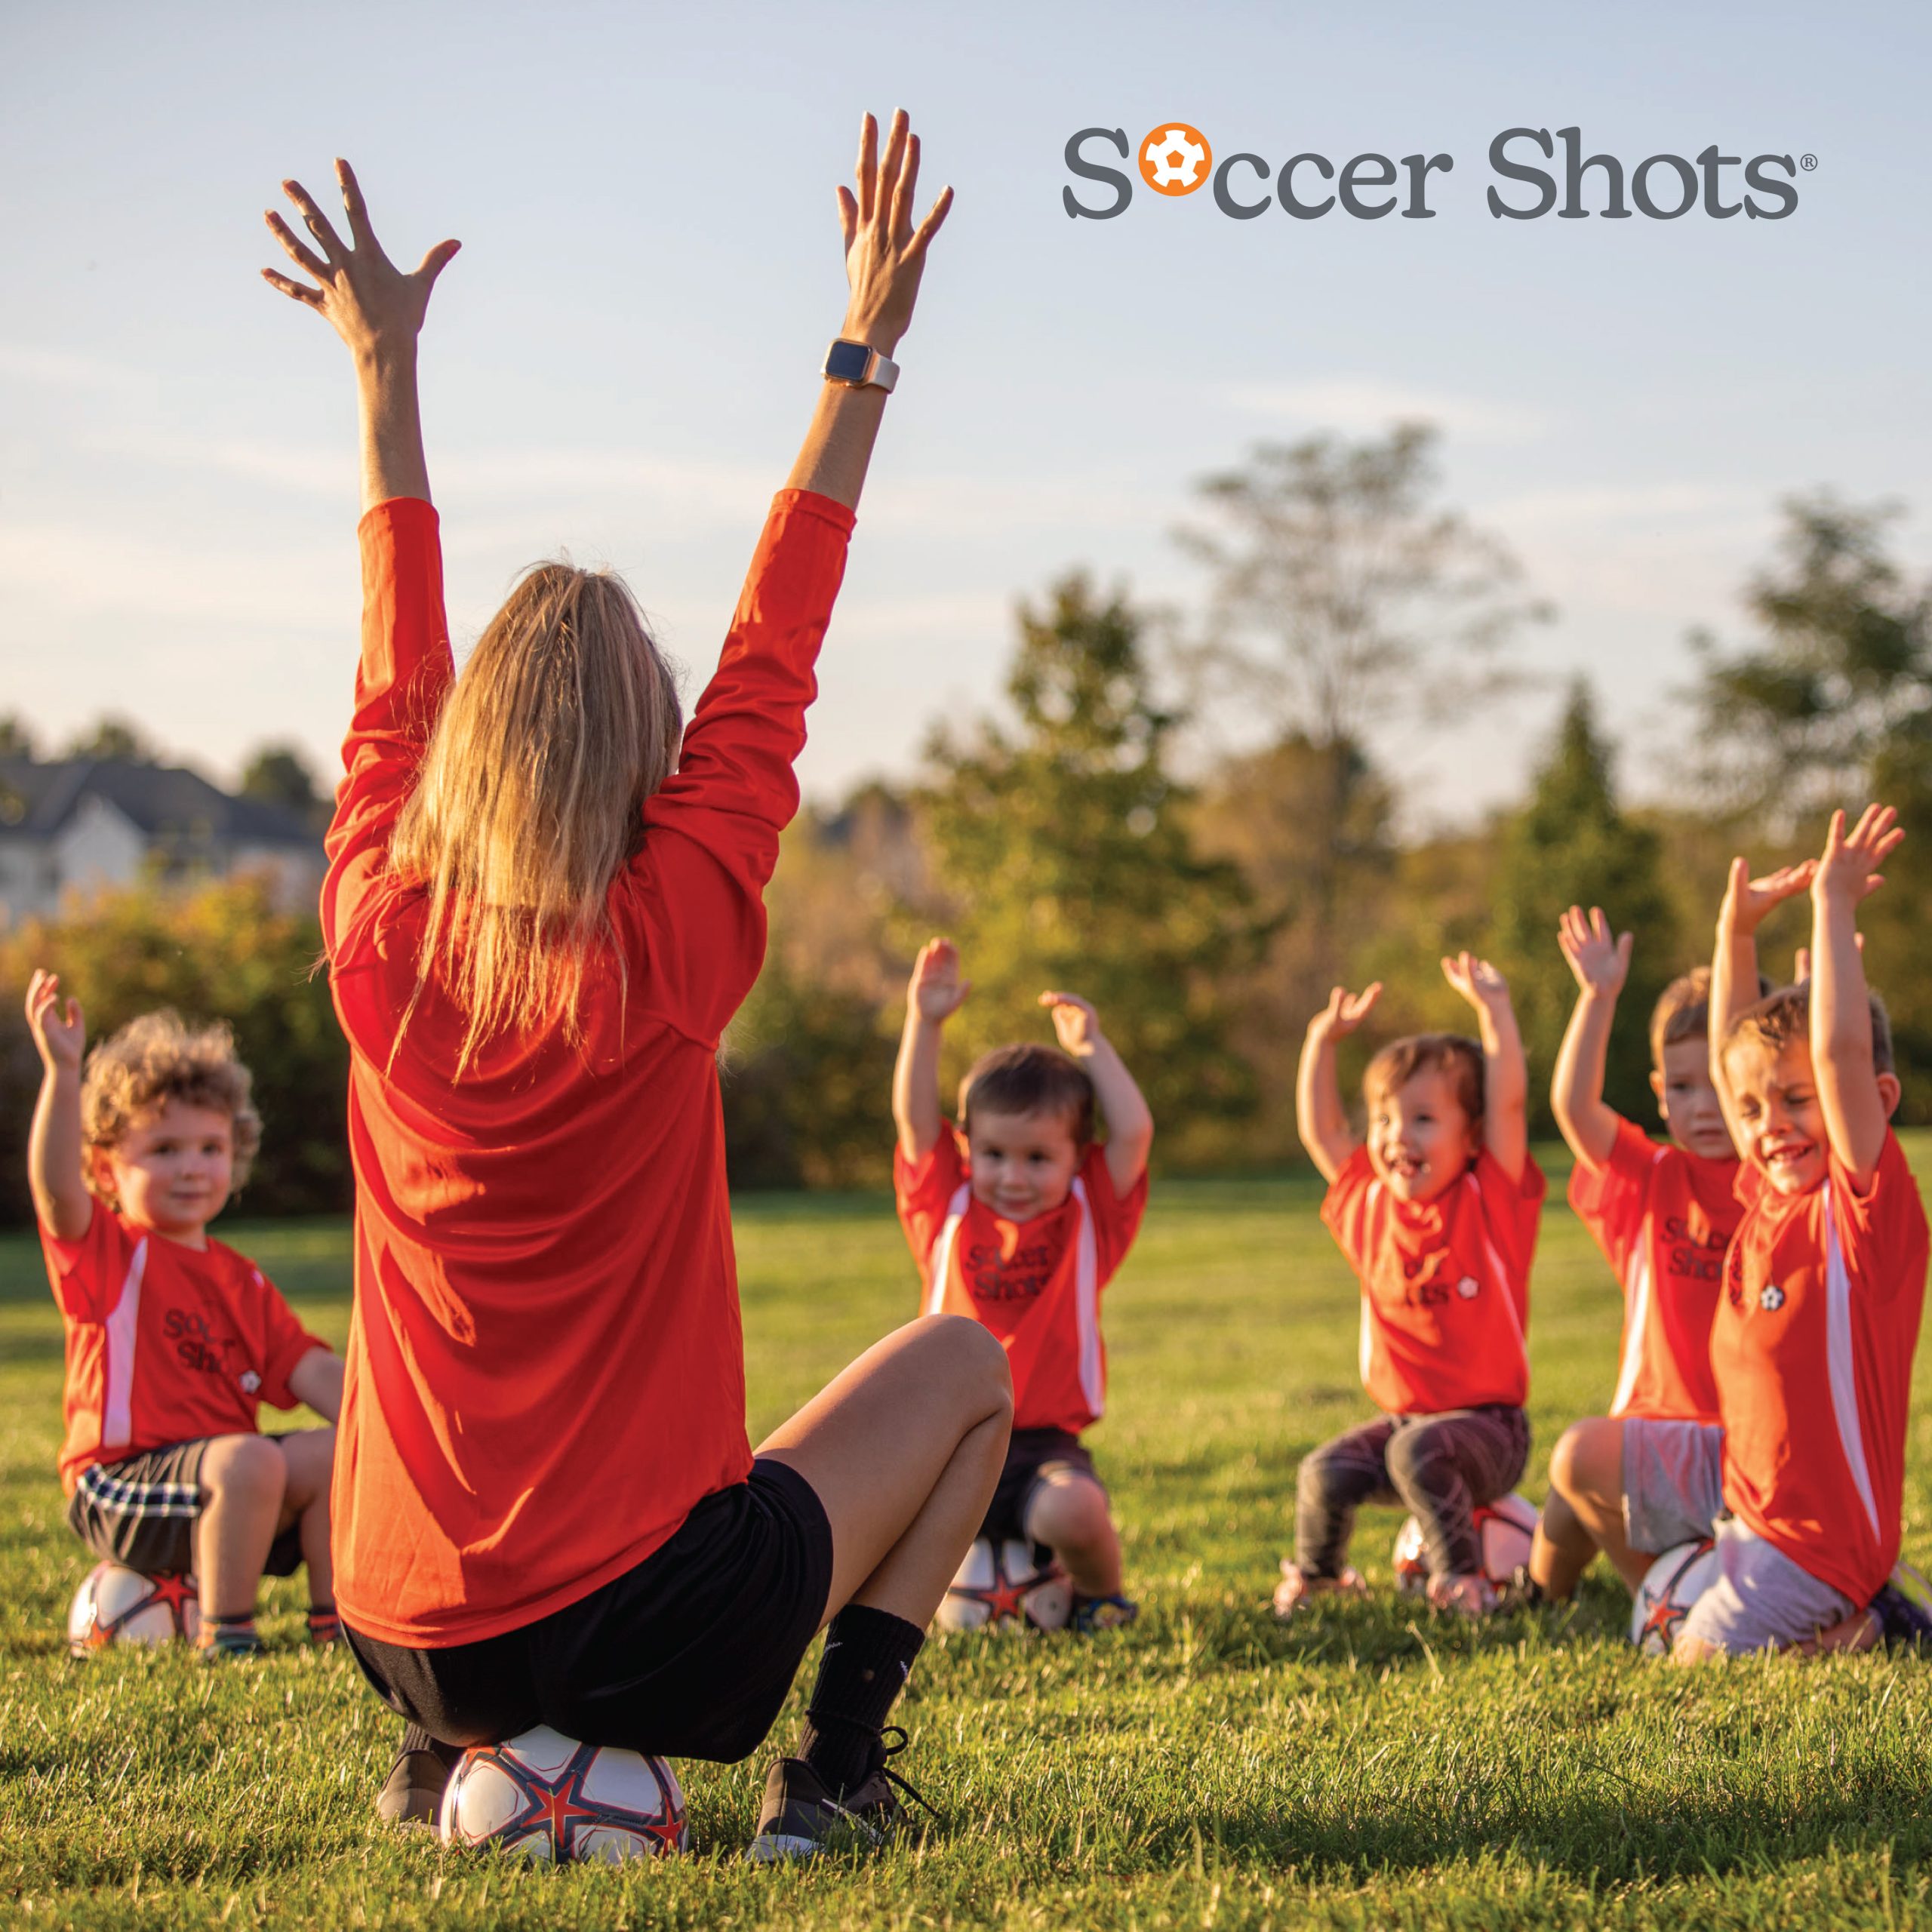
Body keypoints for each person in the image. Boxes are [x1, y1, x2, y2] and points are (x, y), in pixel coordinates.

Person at [260, 114, 1014, 1860]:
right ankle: (829, 1782)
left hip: (396, 1628)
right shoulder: (672, 924)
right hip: (635, 1629)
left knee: (613, 1474)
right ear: (652, 754)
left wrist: (381, 368)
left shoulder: (376, 927)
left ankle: (455, 1750)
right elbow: (777, 646)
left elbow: (390, 673)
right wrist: (862, 349)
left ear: (455, 756)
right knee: (968, 1357)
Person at [1669, 806, 1928, 1660]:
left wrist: (1833, 904)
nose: (1768, 1124)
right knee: (1654, 1620)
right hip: (1751, 1527)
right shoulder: (1765, 1197)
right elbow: (1730, 1061)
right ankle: (1872, 1612)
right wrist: (1733, 933)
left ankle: (1871, 1630)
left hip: (1818, 1546)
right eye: (1751, 1110)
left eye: (1796, 1100)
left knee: (1697, 1668)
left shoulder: (1856, 1210)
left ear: (1874, 1107)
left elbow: (1844, 1055)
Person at [24, 982, 342, 1657]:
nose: (192, 1168)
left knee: (333, 1453)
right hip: (120, 1484)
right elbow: (54, 1193)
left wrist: (387, 1426)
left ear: (236, 1153)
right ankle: (225, 1635)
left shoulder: (239, 1277)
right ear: (105, 1167)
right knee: (250, 1457)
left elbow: (308, 1367)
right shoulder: (109, 1252)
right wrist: (62, 1072)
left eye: (209, 1148)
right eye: (164, 1150)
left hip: (231, 1486)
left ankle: (339, 1625)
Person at [891, 938, 1153, 1630]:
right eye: (995, 1154)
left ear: (1077, 1159)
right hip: (942, 1445)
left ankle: (1102, 1600)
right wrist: (925, 1023)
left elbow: (1135, 1133)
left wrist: (1092, 1046)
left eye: (1039, 1158)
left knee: (1078, 1510)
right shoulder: (946, 1207)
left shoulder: (1089, 1215)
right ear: (967, 1146)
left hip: (1041, 1449)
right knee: (868, 1518)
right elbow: (914, 1122)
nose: (1013, 1175)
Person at [1276, 955, 1543, 1619]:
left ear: (1471, 1135)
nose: (1398, 1137)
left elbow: (1508, 1099)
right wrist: (1322, 1041)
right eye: (1386, 1121)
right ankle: (1321, 1579)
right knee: (1323, 1472)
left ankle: (1463, 1582)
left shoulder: (1491, 1199)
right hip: (1406, 1427)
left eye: (1423, 1120)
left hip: (1491, 1433)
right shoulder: (1368, 1206)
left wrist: (1494, 1012)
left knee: (1417, 1450)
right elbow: (1322, 1131)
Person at [1524, 913, 1751, 1603]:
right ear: (1659, 1093)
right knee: (1573, 1480)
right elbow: (1572, 1104)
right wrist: (1597, 998)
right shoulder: (1652, 1176)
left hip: (1739, 1455)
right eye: (1683, 1089)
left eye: (1721, 1084)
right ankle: (1540, 1597)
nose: (1704, 1107)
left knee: (1580, 1464)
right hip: (1646, 1432)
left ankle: (1664, 1597)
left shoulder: (1776, 1185)